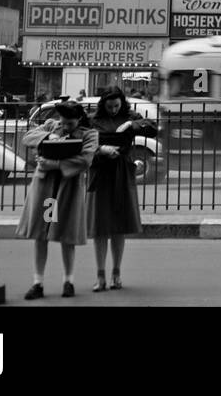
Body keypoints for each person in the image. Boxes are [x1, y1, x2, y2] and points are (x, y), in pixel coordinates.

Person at [15, 99, 98, 299]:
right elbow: (27, 137)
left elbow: (85, 160)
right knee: (42, 234)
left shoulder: (90, 134)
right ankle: (38, 283)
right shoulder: (52, 125)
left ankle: (68, 281)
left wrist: (54, 163)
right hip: (48, 191)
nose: (65, 125)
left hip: (67, 191)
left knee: (66, 235)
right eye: (63, 121)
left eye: (70, 123)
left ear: (79, 119)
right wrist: (48, 136)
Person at [87, 87, 157, 291]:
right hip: (100, 171)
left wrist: (130, 124)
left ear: (122, 103)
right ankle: (100, 276)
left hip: (122, 172)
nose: (113, 110)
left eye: (116, 106)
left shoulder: (130, 116)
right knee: (100, 227)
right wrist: (101, 150)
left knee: (119, 226)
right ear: (103, 105)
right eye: (109, 106)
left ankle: (116, 273)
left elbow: (152, 127)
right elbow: (83, 143)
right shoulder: (92, 120)